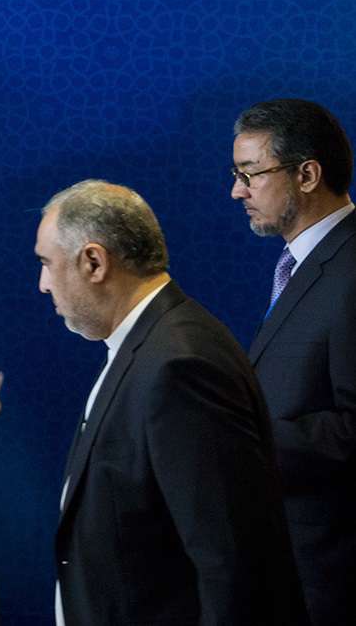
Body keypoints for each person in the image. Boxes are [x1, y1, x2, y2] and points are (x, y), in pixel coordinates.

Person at [36, 180, 307, 625]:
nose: (43, 284)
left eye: (47, 263)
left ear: (94, 262)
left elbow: (231, 564)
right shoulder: (148, 344)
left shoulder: (180, 365)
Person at [230, 98, 356, 625]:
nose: (237, 191)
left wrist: (238, 436)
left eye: (249, 174)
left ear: (307, 175)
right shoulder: (303, 264)